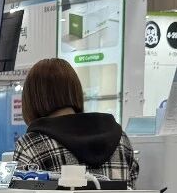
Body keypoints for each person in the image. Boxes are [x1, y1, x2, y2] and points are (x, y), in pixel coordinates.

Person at [12, 57, 139, 185]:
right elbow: (133, 191)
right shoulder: (121, 140)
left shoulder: (31, 145)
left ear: (32, 100)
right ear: (75, 91)